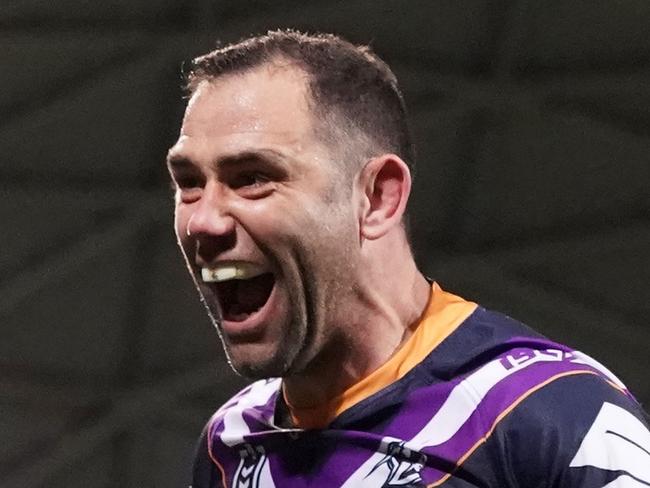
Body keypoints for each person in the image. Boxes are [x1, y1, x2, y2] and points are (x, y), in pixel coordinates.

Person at [166, 30, 649, 488]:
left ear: (376, 198)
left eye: (252, 177)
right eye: (188, 183)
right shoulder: (228, 449)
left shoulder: (548, 415)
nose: (202, 221)